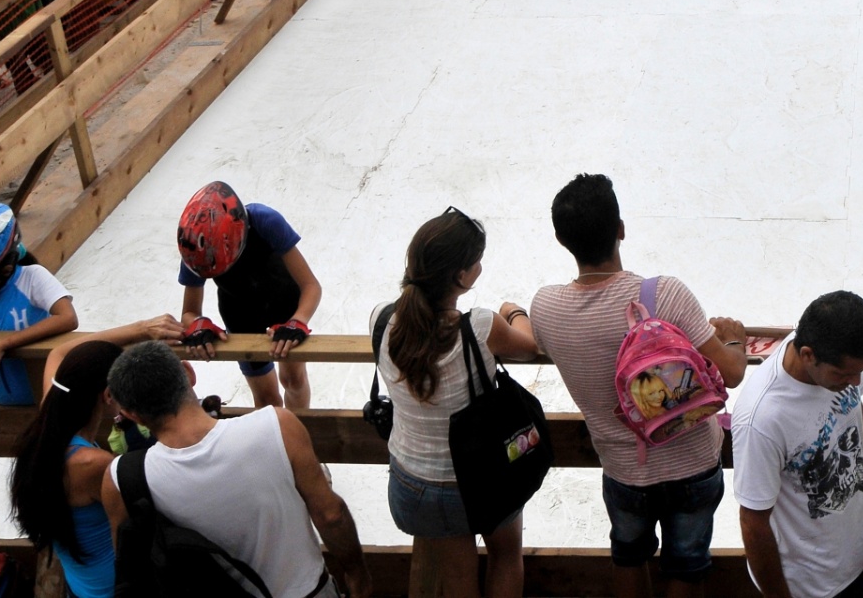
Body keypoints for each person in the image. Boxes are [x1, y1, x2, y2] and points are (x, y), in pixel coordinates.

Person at [531, 174, 748, 598]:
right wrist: (735, 339)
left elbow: (528, 337)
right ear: (620, 229)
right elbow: (732, 373)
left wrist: (512, 314)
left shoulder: (546, 308)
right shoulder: (664, 294)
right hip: (692, 465)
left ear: (561, 240)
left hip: (623, 471)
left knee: (628, 558)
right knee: (687, 566)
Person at [100, 340, 371, 598]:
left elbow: (132, 567)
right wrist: (358, 577)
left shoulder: (122, 478)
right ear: (189, 373)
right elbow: (331, 515)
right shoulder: (277, 426)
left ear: (131, 414)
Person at [374, 209, 535, 598]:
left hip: (415, 482)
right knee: (506, 556)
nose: (480, 266)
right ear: (462, 277)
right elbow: (529, 347)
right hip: (481, 476)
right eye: (477, 260)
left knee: (457, 577)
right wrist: (514, 312)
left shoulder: (381, 319)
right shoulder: (479, 326)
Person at [8, 318, 185, 598]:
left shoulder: (49, 423)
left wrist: (142, 330)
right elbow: (150, 521)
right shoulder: (94, 465)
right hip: (111, 591)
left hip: (81, 588)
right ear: (109, 395)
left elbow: (60, 353)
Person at [733, 291, 863, 598]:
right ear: (808, 355)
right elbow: (753, 523)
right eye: (845, 374)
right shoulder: (762, 419)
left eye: (860, 372)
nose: (855, 382)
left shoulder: (835, 360)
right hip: (812, 588)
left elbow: (853, 409)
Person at [174, 180, 321, 410]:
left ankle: (301, 425)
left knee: (294, 380)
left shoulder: (266, 221)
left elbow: (310, 285)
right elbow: (189, 312)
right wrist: (197, 325)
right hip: (240, 314)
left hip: (285, 301)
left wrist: (298, 321)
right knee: (266, 399)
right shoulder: (194, 248)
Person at [0, 202, 80, 406]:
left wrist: (2, 344)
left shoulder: (31, 277)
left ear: (4, 269)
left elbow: (67, 317)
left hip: (46, 404)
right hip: (0, 410)